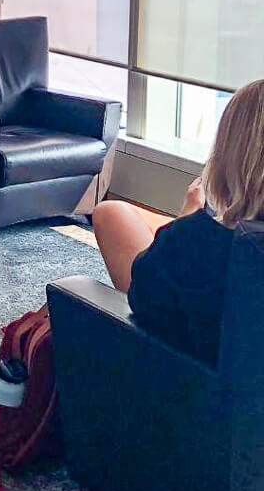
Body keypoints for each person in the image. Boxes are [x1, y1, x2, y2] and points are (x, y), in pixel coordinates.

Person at [92, 79, 264, 366]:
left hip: (192, 398)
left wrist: (187, 217)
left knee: (112, 215)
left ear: (227, 154)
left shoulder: (192, 240)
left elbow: (142, 298)